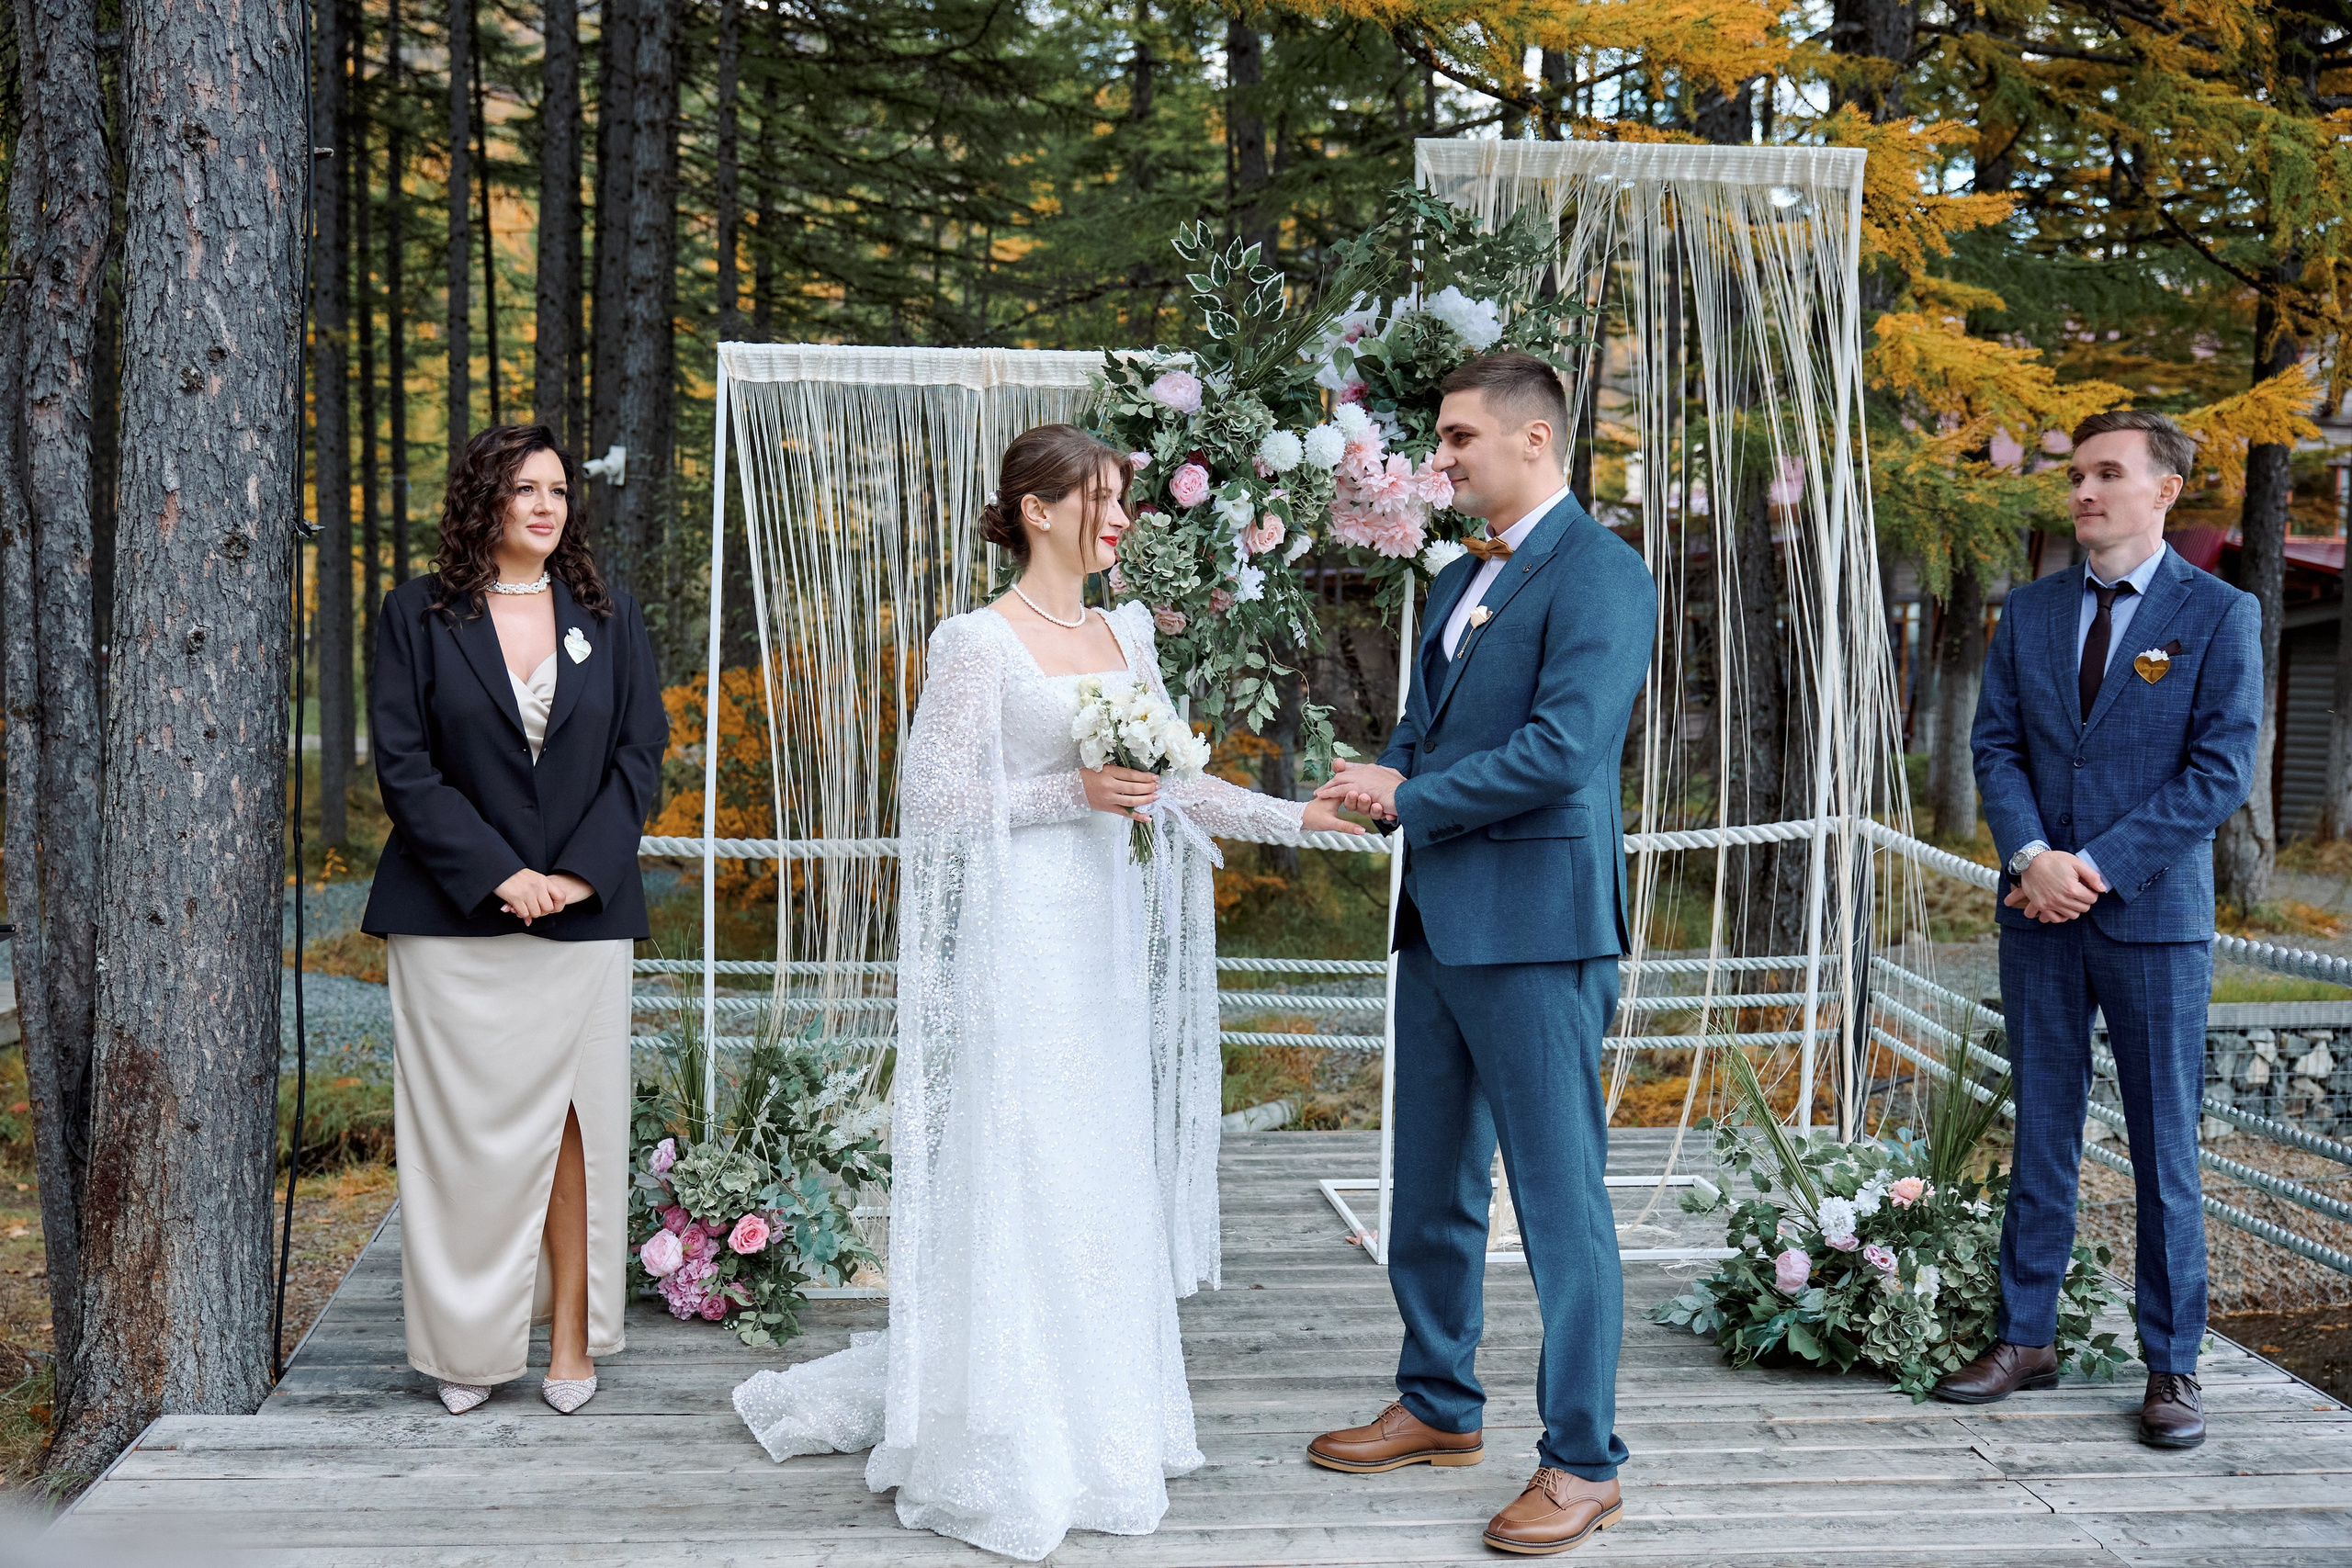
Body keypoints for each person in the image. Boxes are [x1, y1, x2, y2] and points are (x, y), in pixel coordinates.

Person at [730, 423, 1363, 1562]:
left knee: (1095, 1163)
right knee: (1021, 1158)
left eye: (1123, 498)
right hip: (1022, 946)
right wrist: (1066, 792)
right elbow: (930, 804)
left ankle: (1105, 1419)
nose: (1119, 518)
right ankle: (1009, 1436)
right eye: (1101, 498)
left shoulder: (1124, 630)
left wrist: (1288, 817)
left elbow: (1166, 785)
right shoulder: (974, 641)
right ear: (1036, 507)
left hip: (1106, 952)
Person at [1312, 351, 1657, 1557]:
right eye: (1441, 439)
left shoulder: (1605, 574)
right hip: (1440, 924)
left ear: (1534, 440)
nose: (1440, 458)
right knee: (1430, 1185)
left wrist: (1411, 792)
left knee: (1560, 1207)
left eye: (1459, 438)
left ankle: (1584, 1459)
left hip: (1540, 931)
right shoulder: (1460, 576)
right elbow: (1421, 737)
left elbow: (1565, 750)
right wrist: (1365, 783)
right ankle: (1439, 1400)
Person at [1941, 409, 2260, 1449]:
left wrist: (2095, 867)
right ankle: (2024, 1336)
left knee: (2165, 1146)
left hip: (2150, 921)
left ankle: (2170, 1366)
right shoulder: (2028, 614)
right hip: (2036, 914)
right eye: (2076, 475)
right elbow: (1997, 750)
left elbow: (2216, 772)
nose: (2082, 492)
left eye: (2107, 474)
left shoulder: (2219, 615)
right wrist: (2031, 855)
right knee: (2040, 1130)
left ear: (2163, 490)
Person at [362, 423, 668, 1416]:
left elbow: (638, 758)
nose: (545, 505)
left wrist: (575, 875)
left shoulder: (607, 615)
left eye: (557, 489)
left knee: (575, 1131)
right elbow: (405, 769)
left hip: (581, 923)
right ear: (481, 501)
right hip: (454, 921)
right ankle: (467, 1345)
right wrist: (502, 874)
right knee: (468, 1144)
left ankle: (571, 1339)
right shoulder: (415, 616)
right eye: (522, 488)